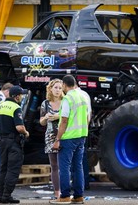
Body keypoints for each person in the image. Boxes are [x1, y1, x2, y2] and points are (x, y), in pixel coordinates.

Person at [50, 75, 88, 204]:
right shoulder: (83, 96)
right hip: (81, 136)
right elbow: (87, 117)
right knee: (78, 166)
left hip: (68, 137)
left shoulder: (67, 98)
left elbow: (64, 120)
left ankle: (65, 195)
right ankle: (79, 196)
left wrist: (57, 139)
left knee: (64, 167)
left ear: (65, 86)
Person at [0, 85, 30, 204]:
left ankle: (0, 196)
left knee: (3, 169)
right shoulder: (16, 107)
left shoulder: (0, 106)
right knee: (12, 170)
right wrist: (26, 133)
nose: (21, 97)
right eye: (21, 95)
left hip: (2, 141)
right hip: (13, 142)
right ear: (16, 96)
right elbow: (19, 127)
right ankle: (6, 196)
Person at [40, 79, 64, 199]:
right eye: (56, 88)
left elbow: (69, 117)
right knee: (54, 166)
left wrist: (58, 116)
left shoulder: (65, 102)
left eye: (60, 88)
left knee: (64, 165)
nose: (58, 90)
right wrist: (45, 117)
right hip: (50, 136)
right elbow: (41, 122)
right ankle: (57, 193)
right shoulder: (45, 103)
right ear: (50, 88)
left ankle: (65, 191)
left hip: (64, 135)